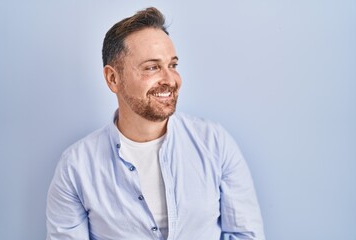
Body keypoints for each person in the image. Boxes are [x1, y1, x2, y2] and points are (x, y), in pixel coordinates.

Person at [46, 7, 265, 240]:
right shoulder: (75, 168)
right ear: (113, 78)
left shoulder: (215, 143)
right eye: (152, 67)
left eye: (172, 65)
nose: (170, 80)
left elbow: (246, 235)